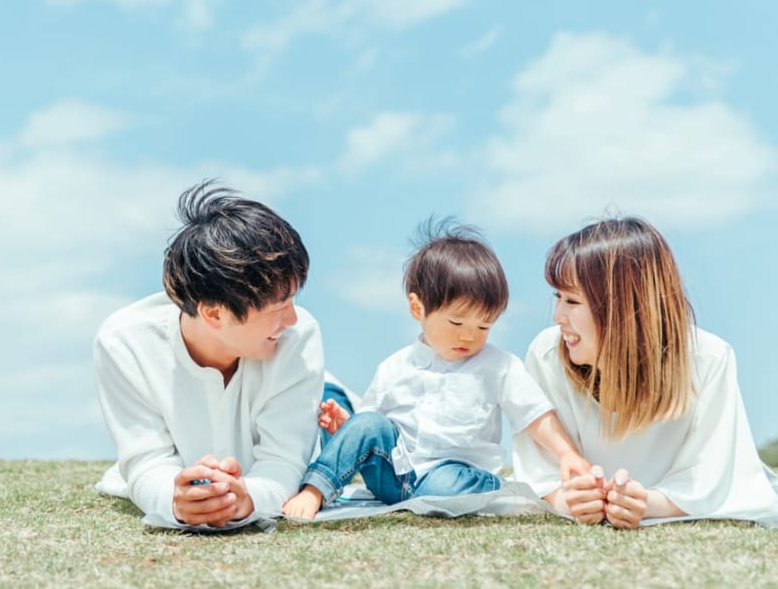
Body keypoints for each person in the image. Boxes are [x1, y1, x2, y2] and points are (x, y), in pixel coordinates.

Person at [282, 220, 589, 520]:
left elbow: (534, 414)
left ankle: (493, 488)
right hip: (394, 476)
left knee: (444, 485)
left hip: (453, 475)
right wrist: (347, 426)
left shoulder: (499, 365)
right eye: (457, 322)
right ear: (418, 309)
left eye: (483, 326)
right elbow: (373, 425)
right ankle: (314, 491)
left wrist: (567, 455)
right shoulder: (394, 367)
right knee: (366, 423)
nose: (469, 336)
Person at [512, 217, 778, 529]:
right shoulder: (545, 355)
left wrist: (648, 503)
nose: (557, 316)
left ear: (621, 307)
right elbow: (537, 472)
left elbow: (714, 475)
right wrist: (568, 500)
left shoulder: (708, 359)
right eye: (557, 297)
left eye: (572, 300)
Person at [93, 181, 324, 528]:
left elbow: (285, 460)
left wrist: (249, 499)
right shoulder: (124, 343)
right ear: (214, 314)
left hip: (316, 410)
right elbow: (146, 461)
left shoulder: (299, 336)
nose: (291, 319)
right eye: (279, 306)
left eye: (293, 300)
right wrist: (175, 501)